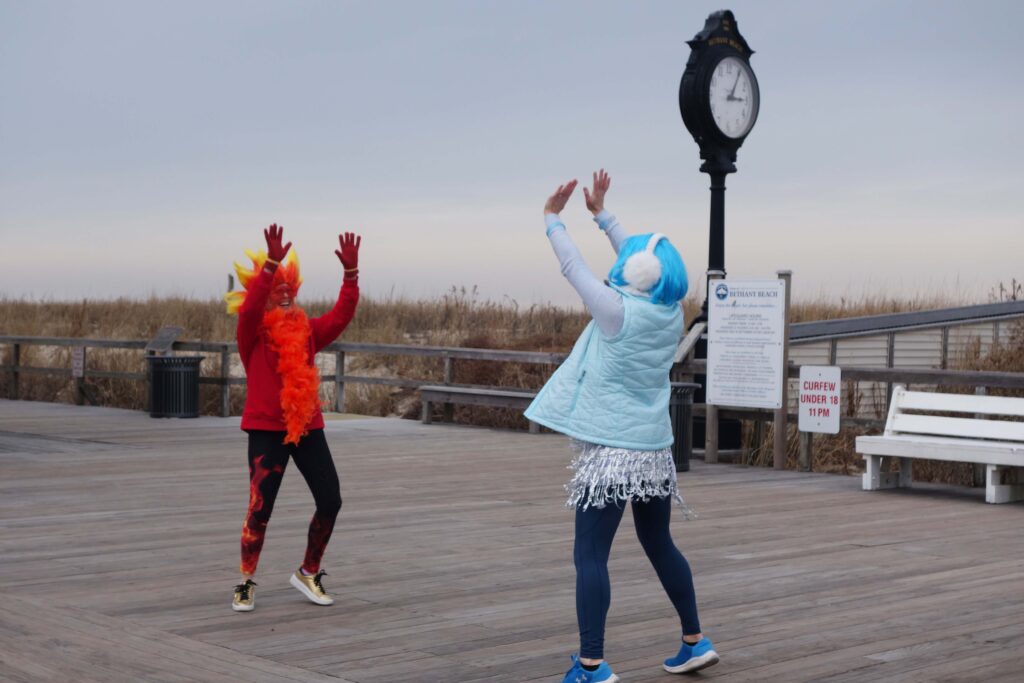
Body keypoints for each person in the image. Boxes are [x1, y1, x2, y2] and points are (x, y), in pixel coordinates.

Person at [524, 171, 718, 681]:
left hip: (610, 452)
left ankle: (591, 664)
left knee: (589, 554)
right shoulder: (670, 314)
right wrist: (602, 214)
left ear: (630, 272)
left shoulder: (614, 312)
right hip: (653, 448)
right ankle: (694, 640)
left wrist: (551, 217)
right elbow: (639, 259)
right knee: (659, 544)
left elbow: (574, 267)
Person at [224, 224, 361, 612]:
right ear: (266, 297)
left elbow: (340, 316)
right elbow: (249, 308)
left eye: (290, 292)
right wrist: (270, 264)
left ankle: (308, 571)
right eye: (276, 293)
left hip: (307, 427)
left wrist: (350, 275)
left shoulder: (308, 331)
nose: (284, 297)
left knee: (330, 499)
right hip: (266, 429)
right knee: (260, 508)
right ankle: (246, 580)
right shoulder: (251, 333)